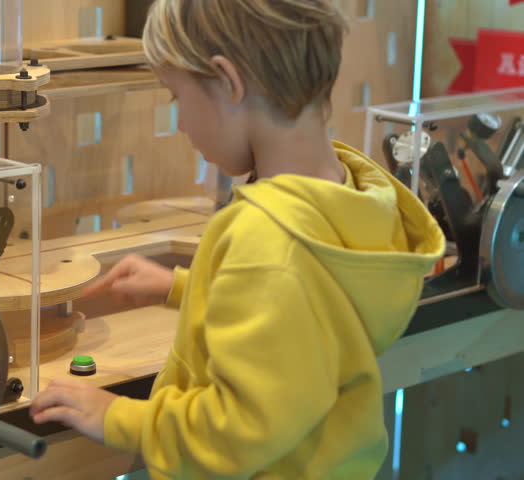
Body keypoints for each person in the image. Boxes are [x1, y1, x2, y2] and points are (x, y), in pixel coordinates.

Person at [29, 0, 445, 478]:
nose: (181, 123)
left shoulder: (266, 237)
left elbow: (239, 429)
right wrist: (187, 288)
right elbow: (303, 317)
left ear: (229, 81)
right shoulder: (351, 196)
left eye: (177, 98)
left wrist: (116, 417)